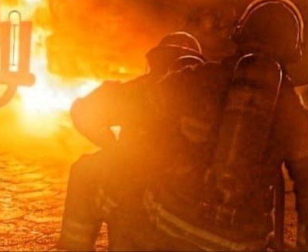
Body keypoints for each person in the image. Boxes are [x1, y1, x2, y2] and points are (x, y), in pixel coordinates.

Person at [141, 0, 308, 252]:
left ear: (241, 37)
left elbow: (146, 102)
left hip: (174, 221)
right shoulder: (294, 114)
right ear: (292, 50)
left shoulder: (207, 76)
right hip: (240, 240)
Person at [58, 32, 205, 251]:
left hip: (136, 201)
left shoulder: (140, 91)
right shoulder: (215, 98)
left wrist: (110, 146)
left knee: (85, 171)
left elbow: (84, 111)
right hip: (198, 215)